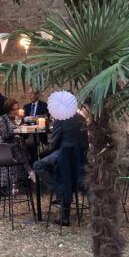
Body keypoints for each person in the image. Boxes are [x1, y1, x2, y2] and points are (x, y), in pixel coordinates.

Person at [34, 91, 89, 225]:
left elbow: (54, 144)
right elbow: (85, 143)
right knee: (63, 170)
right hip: (79, 157)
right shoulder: (81, 119)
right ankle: (69, 190)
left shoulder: (60, 119)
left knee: (38, 165)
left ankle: (59, 189)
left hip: (63, 154)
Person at [0, 99, 32, 187]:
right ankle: (30, 172)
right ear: (9, 110)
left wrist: (25, 129)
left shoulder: (19, 118)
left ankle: (27, 175)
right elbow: (4, 135)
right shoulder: (2, 119)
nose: (17, 111)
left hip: (15, 144)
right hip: (4, 147)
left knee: (20, 145)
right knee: (18, 146)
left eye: (18, 108)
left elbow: (24, 136)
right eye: (15, 109)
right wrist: (17, 129)